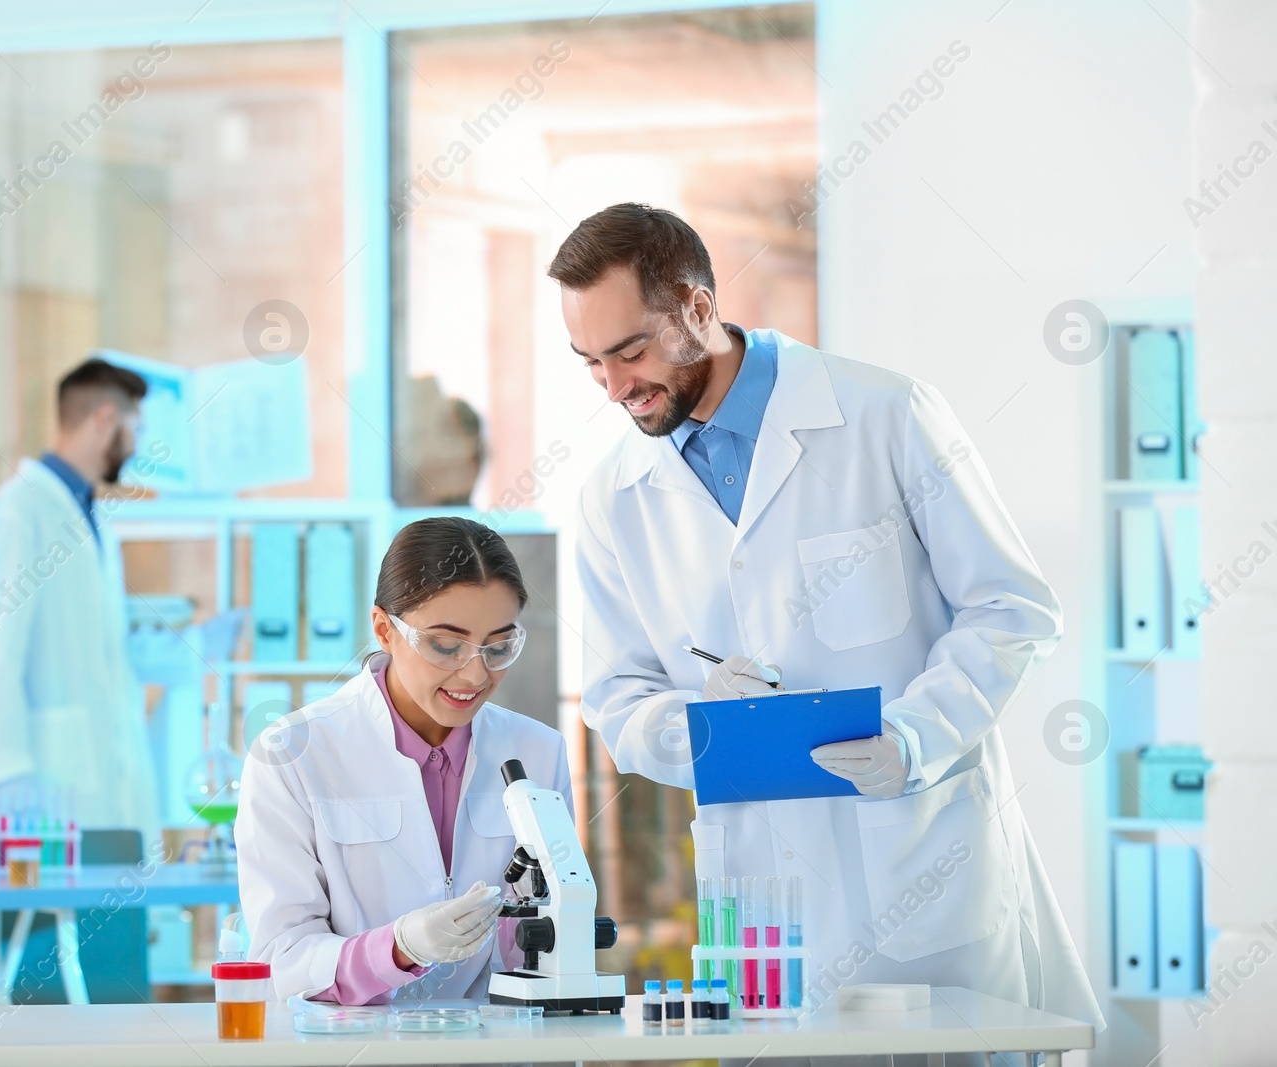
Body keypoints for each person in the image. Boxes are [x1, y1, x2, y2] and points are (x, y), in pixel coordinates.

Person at [555, 204, 1102, 1035]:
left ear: (699, 308)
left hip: (923, 883)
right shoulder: (611, 496)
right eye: (590, 362)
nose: (615, 388)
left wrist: (916, 736)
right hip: (761, 920)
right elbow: (617, 693)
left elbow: (1011, 606)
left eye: (631, 351)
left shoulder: (886, 414)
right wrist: (698, 724)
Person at [236, 517, 573, 1003]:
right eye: (446, 645)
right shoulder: (292, 755)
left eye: (498, 647)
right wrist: (396, 949)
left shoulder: (538, 751)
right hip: (353, 1051)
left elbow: (553, 934)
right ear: (383, 630)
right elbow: (282, 958)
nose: (475, 673)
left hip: (496, 1046)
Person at [0, 357, 160, 838]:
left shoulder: (86, 512)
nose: (136, 445)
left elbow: (100, 651)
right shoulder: (20, 510)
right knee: (49, 911)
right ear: (105, 419)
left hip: (94, 779)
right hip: (36, 786)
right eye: (136, 427)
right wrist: (7, 775)